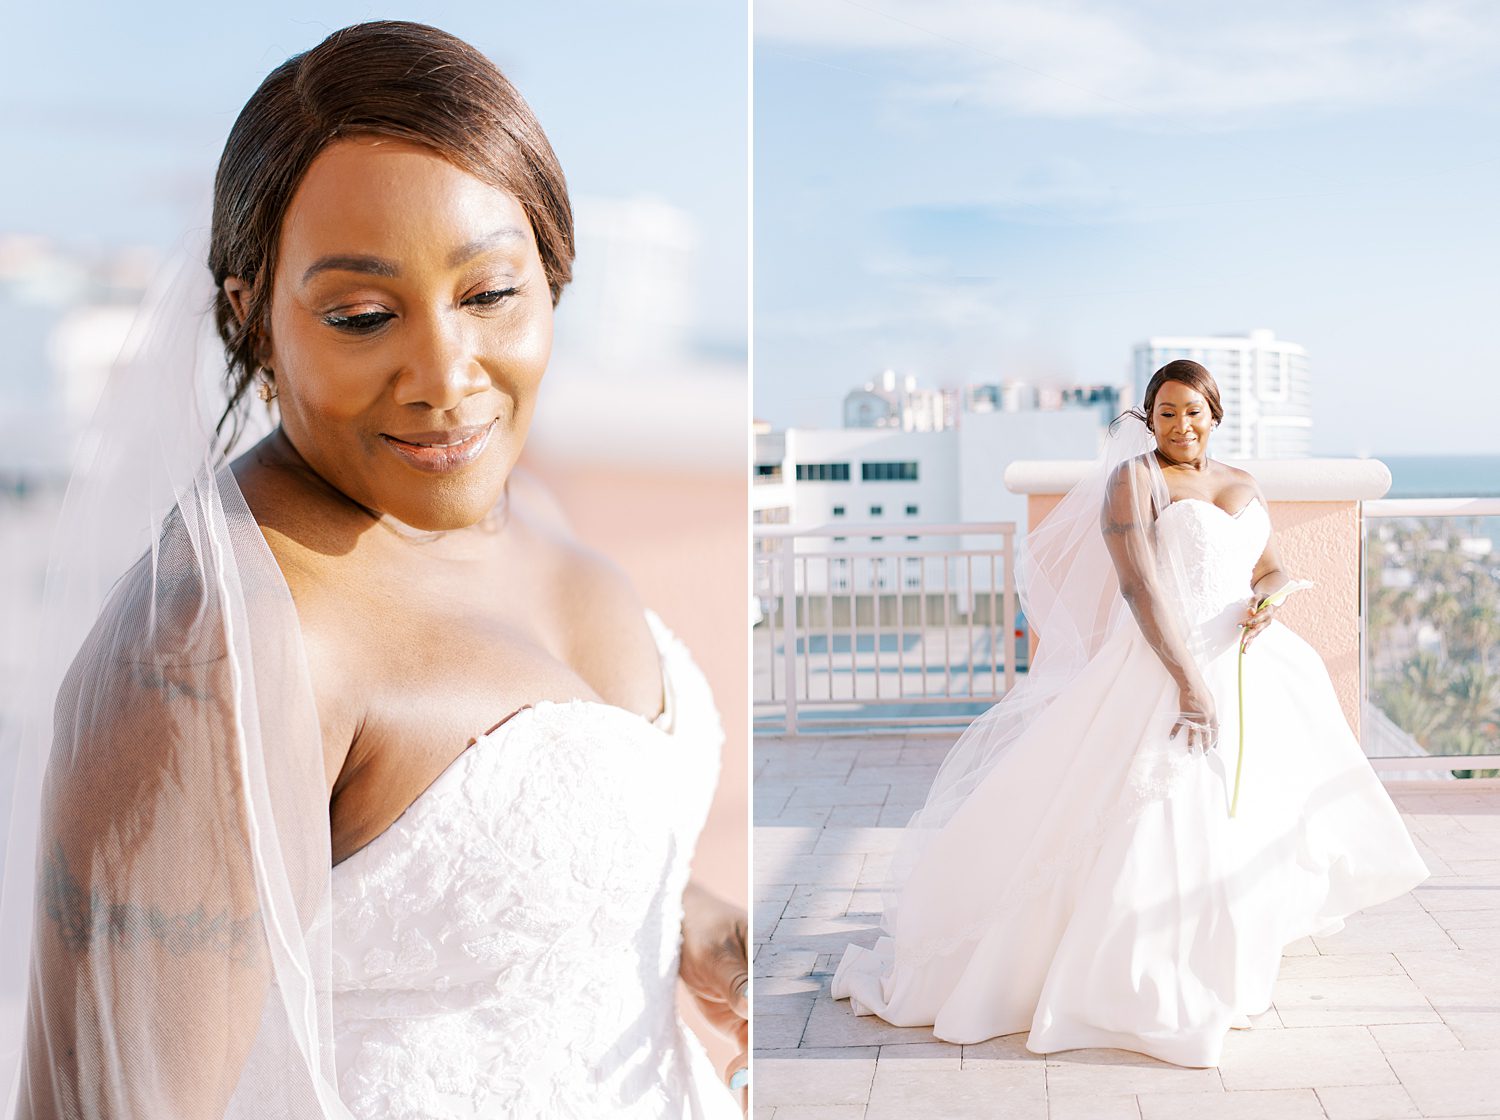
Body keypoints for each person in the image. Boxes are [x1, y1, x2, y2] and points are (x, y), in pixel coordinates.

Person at [0, 21, 745, 1118]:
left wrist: (684, 912)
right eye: (361, 314)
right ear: (250, 317)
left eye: (491, 294)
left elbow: (467, 897)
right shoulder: (212, 651)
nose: (445, 377)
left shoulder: (502, 508)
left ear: (554, 275)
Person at [830, 359, 1428, 1068]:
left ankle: (1217, 957)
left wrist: (1269, 601)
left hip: (1243, 666)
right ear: (1149, 417)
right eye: (1166, 412)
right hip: (1162, 664)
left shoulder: (1241, 482)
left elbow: (1267, 564)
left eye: (1194, 412)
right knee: (1157, 813)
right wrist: (1186, 681)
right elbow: (1140, 590)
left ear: (1216, 415)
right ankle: (1139, 975)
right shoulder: (1135, 480)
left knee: (1239, 816)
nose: (1181, 425)